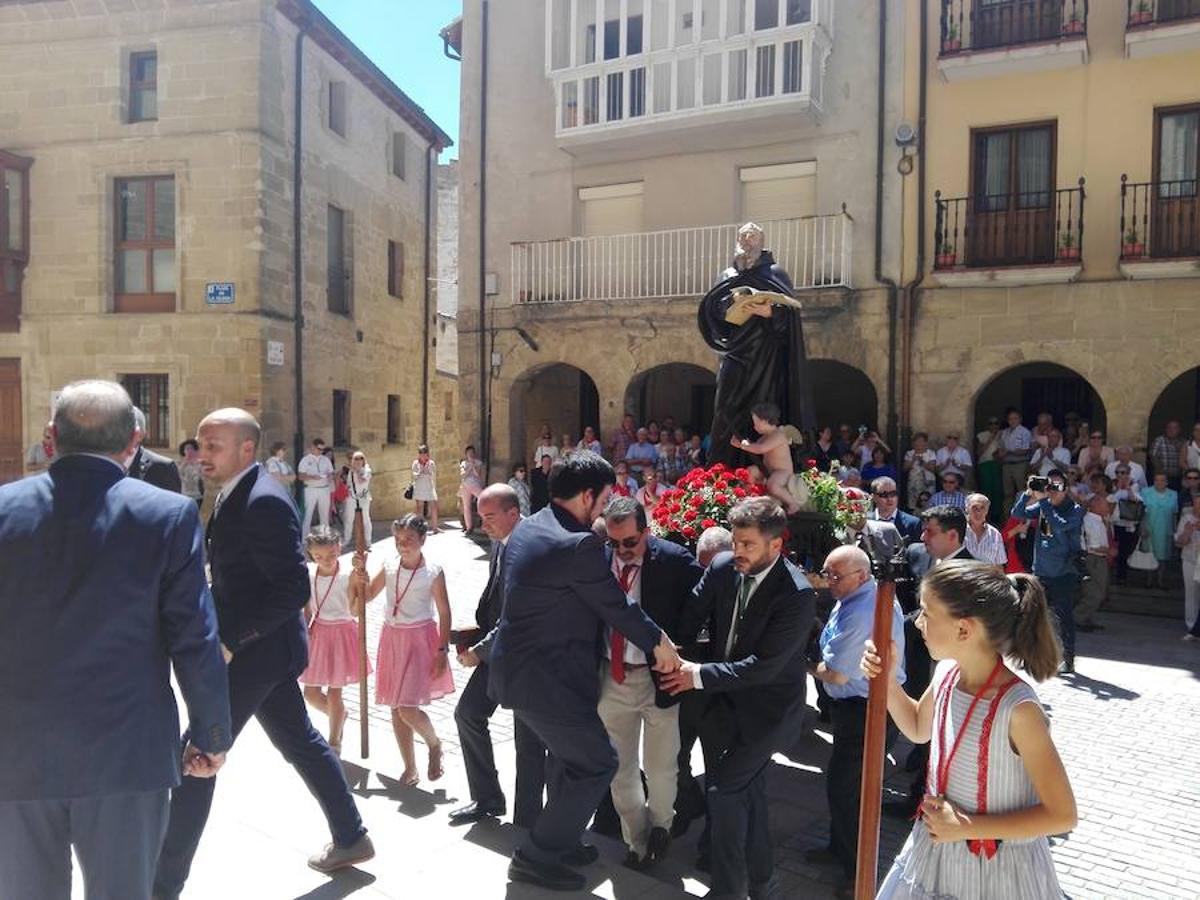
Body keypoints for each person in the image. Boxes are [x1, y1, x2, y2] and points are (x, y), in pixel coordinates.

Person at [0, 381, 232, 900]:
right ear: (135, 440)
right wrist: (211, 732)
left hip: (14, 747)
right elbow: (194, 635)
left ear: (51, 439)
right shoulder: (167, 516)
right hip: (125, 750)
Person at [155, 409, 372, 898]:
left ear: (246, 449)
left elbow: (294, 587)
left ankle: (160, 886)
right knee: (299, 741)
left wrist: (233, 642)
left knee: (199, 754)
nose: (201, 454)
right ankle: (352, 835)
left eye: (214, 446)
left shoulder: (262, 501)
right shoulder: (237, 494)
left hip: (256, 654)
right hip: (267, 652)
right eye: (200, 444)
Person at [488, 452, 681, 892]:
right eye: (606, 496)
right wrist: (659, 642)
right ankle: (535, 856)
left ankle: (562, 840)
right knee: (598, 763)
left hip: (528, 673)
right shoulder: (578, 544)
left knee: (569, 763)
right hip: (545, 680)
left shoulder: (533, 524)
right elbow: (613, 604)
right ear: (588, 494)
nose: (607, 505)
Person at [862, 562, 1077, 900]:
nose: (918, 622)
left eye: (928, 613)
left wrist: (968, 827)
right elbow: (919, 727)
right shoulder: (947, 673)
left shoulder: (1018, 710)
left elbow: (1062, 814)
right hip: (935, 856)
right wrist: (887, 681)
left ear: (964, 630)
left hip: (997, 873)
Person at [662, 497, 816, 899]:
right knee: (748, 796)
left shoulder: (796, 595)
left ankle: (729, 890)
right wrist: (672, 655)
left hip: (768, 714)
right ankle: (765, 884)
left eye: (748, 545)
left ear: (775, 546)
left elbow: (762, 667)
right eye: (736, 541)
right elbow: (689, 618)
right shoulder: (721, 566)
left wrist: (696, 676)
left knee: (725, 791)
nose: (739, 552)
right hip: (722, 707)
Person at [594, 496, 704, 870]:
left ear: (646, 531)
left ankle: (662, 824)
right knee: (620, 769)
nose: (622, 551)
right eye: (614, 543)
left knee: (660, 769)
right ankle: (638, 843)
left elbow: (703, 607)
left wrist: (685, 655)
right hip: (612, 677)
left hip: (659, 681)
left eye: (630, 542)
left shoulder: (672, 560)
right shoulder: (597, 562)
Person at [808, 546, 905, 896]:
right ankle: (840, 849)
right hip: (853, 709)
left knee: (850, 792)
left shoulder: (863, 607)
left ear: (863, 576)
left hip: (867, 709)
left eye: (837, 576)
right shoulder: (855, 595)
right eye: (827, 573)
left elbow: (835, 674)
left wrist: (802, 663)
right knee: (843, 785)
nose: (829, 582)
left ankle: (858, 872)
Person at [449, 485, 547, 828]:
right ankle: (487, 797)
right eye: (480, 516)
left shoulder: (529, 551)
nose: (483, 523)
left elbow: (517, 618)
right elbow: (496, 601)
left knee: (529, 742)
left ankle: (528, 821)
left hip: (526, 658)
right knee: (468, 715)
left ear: (513, 514)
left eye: (490, 517)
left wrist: (480, 651)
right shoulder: (498, 544)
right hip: (497, 650)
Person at [699, 222, 815, 467]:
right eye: (743, 237)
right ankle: (721, 469)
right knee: (724, 407)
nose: (747, 241)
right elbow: (713, 310)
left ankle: (762, 468)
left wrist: (769, 311)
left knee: (763, 409)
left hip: (767, 356)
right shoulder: (727, 275)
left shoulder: (775, 273)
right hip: (734, 352)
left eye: (752, 237)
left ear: (761, 242)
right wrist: (728, 306)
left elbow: (790, 316)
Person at [887, 505, 975, 819]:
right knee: (923, 730)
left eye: (931, 532)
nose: (923, 537)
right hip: (920, 664)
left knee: (938, 734)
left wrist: (906, 623)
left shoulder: (971, 572)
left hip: (948, 667)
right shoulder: (922, 557)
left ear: (953, 535)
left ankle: (919, 801)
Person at [357, 515, 454, 787]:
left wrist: (442, 650)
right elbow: (365, 597)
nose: (403, 545)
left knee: (407, 709)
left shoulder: (433, 571)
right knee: (396, 706)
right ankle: (410, 767)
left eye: (409, 539)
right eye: (399, 540)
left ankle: (434, 744)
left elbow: (445, 612)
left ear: (422, 539)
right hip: (392, 639)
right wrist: (359, 576)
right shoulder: (389, 567)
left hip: (420, 640)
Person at [299, 525, 369, 756]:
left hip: (342, 634)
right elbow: (307, 607)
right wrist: (305, 630)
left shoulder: (347, 576)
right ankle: (339, 716)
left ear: (339, 549)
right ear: (311, 555)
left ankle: (334, 740)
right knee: (310, 693)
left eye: (330, 555)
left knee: (335, 692)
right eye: (319, 556)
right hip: (319, 634)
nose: (325, 560)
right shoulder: (309, 574)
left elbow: (355, 609)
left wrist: (361, 586)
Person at [1010, 470, 1084, 674]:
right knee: (1030, 615)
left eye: (1058, 487)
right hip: (1041, 571)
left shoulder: (1074, 509)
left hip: (1063, 571)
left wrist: (1043, 502)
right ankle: (1027, 655)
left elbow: (1059, 526)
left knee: (1063, 617)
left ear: (1067, 489)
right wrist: (1028, 494)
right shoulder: (1044, 505)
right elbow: (1017, 514)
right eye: (1050, 486)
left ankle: (1068, 658)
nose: (1053, 492)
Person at [733, 402, 801, 515]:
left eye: (756, 423)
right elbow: (754, 446)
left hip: (782, 471)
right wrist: (741, 443)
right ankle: (750, 497)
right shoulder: (766, 437)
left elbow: (760, 449)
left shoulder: (778, 436)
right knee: (751, 471)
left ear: (765, 421)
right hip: (767, 470)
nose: (754, 427)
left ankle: (792, 503)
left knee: (773, 485)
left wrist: (743, 445)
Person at [1077, 494, 1112, 633]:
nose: (1108, 507)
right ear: (1096, 506)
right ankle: (1079, 617)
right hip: (1094, 559)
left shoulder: (1099, 520)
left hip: (1098, 558)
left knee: (1099, 590)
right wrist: (1109, 550)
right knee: (1094, 592)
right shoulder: (1091, 522)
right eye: (1105, 504)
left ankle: (1086, 617)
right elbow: (1094, 546)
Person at [127, 407, 183, 492]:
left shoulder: (163, 467)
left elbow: (172, 503)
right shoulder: (104, 463)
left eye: (123, 429)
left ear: (140, 435)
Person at [1141, 471, 1178, 590]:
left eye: (1162, 480)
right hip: (1149, 527)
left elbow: (1174, 514)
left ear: (1167, 482)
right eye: (1157, 480)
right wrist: (1142, 528)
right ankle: (1148, 580)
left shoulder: (1173, 494)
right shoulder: (1145, 492)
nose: (1159, 482)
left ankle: (1160, 580)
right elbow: (1141, 512)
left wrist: (1175, 531)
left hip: (1166, 528)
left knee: (1163, 556)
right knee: (1149, 554)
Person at [1108, 465, 1144, 586]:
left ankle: (1122, 575)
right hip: (1115, 523)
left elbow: (1135, 501)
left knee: (1125, 550)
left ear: (1128, 473)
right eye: (1117, 472)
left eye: (1123, 472)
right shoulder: (1112, 486)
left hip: (1129, 524)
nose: (1120, 475)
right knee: (1116, 549)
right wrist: (1117, 489)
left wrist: (1127, 488)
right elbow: (1110, 500)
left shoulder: (1135, 486)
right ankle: (1117, 575)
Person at [868, 476, 923, 545]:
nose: (890, 499)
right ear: (874, 497)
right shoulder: (866, 521)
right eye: (884, 495)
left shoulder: (913, 524)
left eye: (893, 494)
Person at [997, 409, 1034, 513]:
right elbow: (1001, 448)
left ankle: (1022, 516)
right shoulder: (1004, 432)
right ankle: (1007, 517)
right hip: (1007, 465)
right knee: (1007, 493)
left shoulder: (1024, 432)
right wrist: (1001, 453)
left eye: (1015, 418)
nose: (1012, 421)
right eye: (1010, 419)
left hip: (1020, 464)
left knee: (1022, 491)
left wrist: (1008, 452)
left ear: (1020, 419)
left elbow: (1026, 450)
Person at [1174, 494, 1200, 640]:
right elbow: (1179, 542)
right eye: (1197, 504)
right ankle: (1192, 626)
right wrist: (1188, 532)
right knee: (1191, 594)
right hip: (1190, 560)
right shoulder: (1186, 519)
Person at [298, 437, 334, 532]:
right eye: (319, 449)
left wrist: (330, 477)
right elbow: (301, 476)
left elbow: (330, 472)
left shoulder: (326, 460)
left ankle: (325, 538)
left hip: (324, 489)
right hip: (311, 489)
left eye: (322, 449)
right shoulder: (305, 460)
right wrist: (312, 477)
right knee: (308, 514)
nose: (321, 451)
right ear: (313, 447)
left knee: (324, 515)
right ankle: (304, 539)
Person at [963, 493, 1006, 566]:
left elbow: (999, 565)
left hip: (988, 577)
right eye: (974, 507)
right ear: (967, 509)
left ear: (987, 511)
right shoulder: (958, 531)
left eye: (982, 508)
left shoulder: (995, 534)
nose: (978, 511)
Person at [975, 416, 1004, 521]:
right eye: (991, 423)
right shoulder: (982, 435)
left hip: (997, 464)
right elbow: (979, 452)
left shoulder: (1002, 435)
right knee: (986, 489)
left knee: (998, 490)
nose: (993, 426)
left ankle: (996, 515)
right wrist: (990, 439)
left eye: (995, 423)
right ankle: (985, 514)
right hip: (985, 463)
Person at [341, 451, 372, 540]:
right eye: (356, 459)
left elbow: (361, 480)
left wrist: (355, 471)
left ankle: (368, 541)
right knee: (348, 519)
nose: (358, 461)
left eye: (361, 458)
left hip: (363, 497)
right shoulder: (350, 471)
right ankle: (347, 539)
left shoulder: (367, 470)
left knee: (366, 520)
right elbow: (347, 483)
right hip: (351, 497)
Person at [904, 432, 938, 512]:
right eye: (917, 441)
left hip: (927, 482)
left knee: (928, 502)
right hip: (913, 483)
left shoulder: (931, 453)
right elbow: (905, 468)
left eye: (921, 441)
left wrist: (922, 461)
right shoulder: (909, 453)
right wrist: (913, 459)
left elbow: (933, 468)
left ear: (926, 442)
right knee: (914, 504)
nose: (919, 443)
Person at [1148, 420, 1185, 489]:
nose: (1171, 430)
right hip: (1163, 478)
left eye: (1174, 428)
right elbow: (1153, 456)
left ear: (1179, 430)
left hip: (1178, 478)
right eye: (1169, 428)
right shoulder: (1159, 440)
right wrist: (1160, 472)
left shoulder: (1183, 442)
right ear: (1165, 429)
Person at [411, 445, 440, 530]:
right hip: (419, 487)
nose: (422, 455)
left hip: (429, 486)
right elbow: (414, 475)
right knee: (419, 508)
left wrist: (427, 470)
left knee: (434, 506)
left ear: (427, 453)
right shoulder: (415, 463)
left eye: (424, 453)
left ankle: (435, 527)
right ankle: (419, 527)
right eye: (421, 453)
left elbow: (432, 473)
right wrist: (420, 472)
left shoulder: (431, 463)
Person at [459, 445, 485, 532]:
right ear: (466, 454)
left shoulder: (478, 463)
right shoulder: (463, 463)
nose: (470, 454)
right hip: (465, 486)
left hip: (475, 485)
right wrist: (469, 466)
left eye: (472, 453)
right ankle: (469, 527)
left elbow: (478, 474)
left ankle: (485, 524)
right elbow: (463, 476)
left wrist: (473, 465)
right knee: (466, 507)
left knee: (483, 501)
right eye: (468, 453)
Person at [177, 438, 204, 507]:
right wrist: (185, 463)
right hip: (184, 496)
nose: (189, 451)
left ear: (195, 450)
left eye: (191, 448)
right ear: (183, 451)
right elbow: (177, 475)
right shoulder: (179, 463)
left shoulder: (199, 464)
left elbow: (201, 478)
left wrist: (195, 464)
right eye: (186, 449)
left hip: (197, 496)